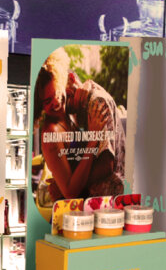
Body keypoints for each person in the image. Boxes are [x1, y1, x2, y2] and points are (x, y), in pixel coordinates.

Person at [34, 47, 125, 204]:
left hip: (102, 201)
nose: (56, 103)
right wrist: (92, 140)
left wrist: (87, 84)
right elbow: (70, 191)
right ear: (40, 106)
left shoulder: (75, 109)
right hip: (80, 206)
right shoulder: (52, 130)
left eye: (56, 93)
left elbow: (105, 165)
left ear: (63, 81)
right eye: (47, 102)